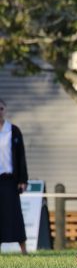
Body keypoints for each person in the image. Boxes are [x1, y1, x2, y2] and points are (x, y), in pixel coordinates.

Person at [0, 98, 28, 255]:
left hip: (10, 180)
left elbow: (21, 157)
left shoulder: (13, 130)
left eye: (1, 108)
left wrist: (23, 179)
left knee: (15, 215)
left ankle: (23, 250)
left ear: (5, 110)